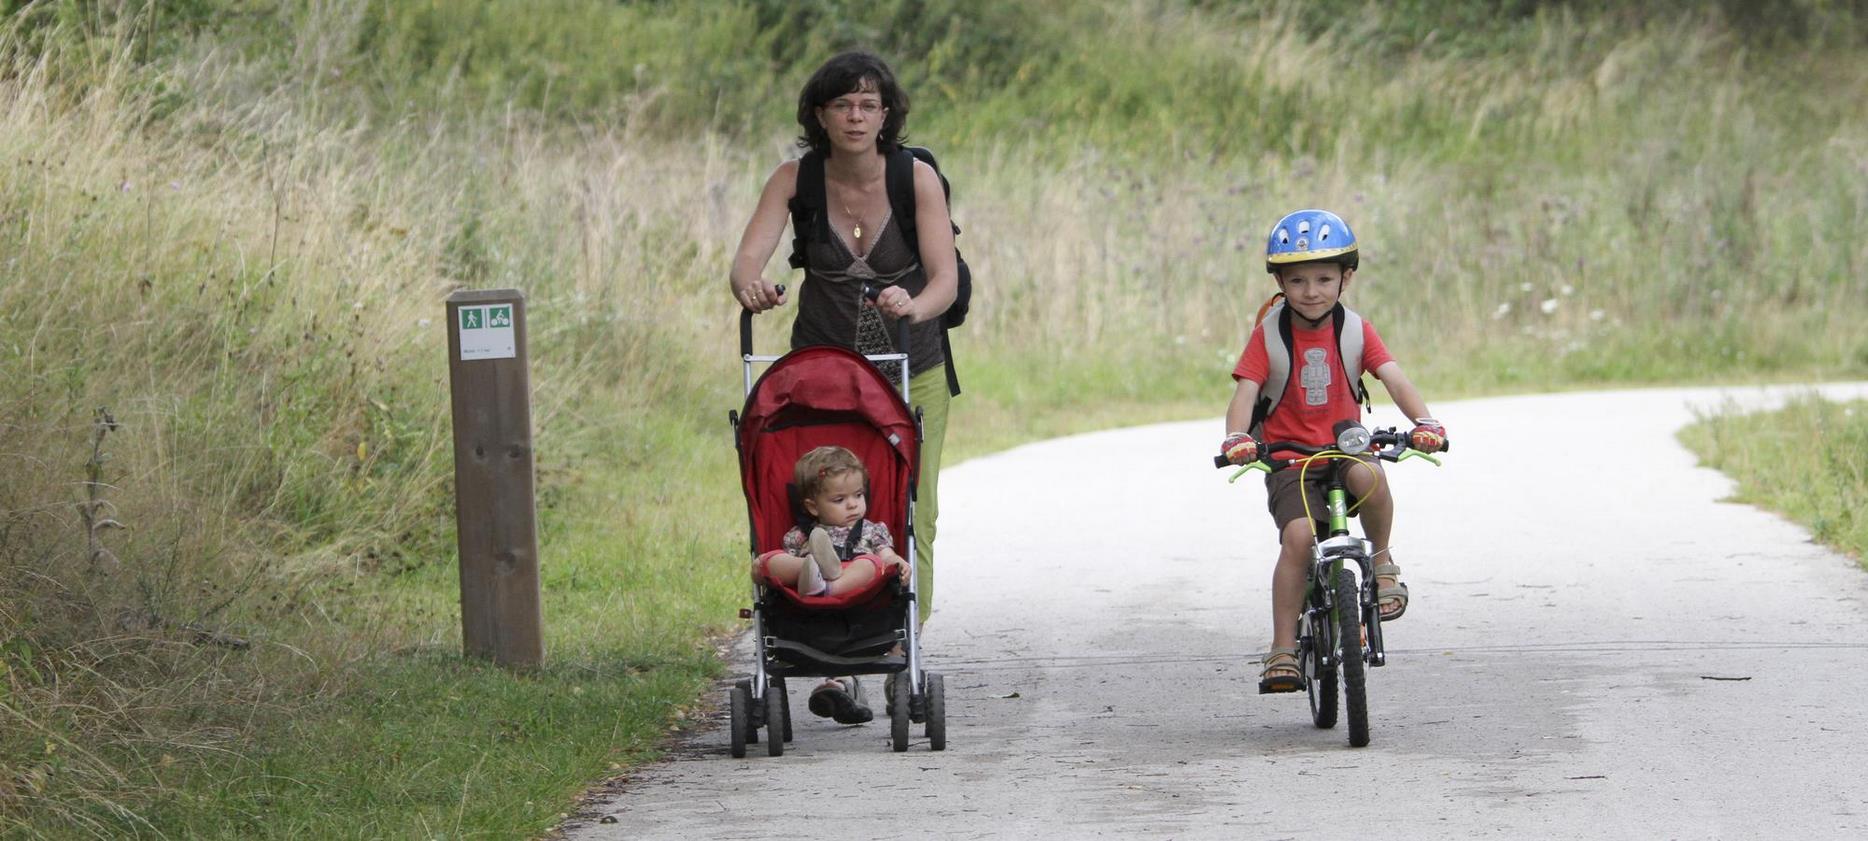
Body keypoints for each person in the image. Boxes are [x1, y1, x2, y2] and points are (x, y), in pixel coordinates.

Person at [730, 51, 957, 722]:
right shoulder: (793, 179)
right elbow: (748, 259)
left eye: (869, 104)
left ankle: (898, 647)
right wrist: (752, 284)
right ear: (819, 115)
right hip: (821, 371)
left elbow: (942, 276)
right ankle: (835, 660)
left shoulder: (915, 178)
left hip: (911, 364)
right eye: (842, 105)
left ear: (887, 115)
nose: (855, 116)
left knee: (915, 509)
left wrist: (913, 305)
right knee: (821, 504)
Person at [1219, 209, 1448, 695]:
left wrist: (1424, 423)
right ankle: (1283, 648)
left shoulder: (1356, 331)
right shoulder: (1270, 333)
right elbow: (1245, 391)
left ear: (1347, 277)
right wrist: (1238, 437)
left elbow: (1393, 377)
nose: (1311, 291)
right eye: (1297, 280)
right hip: (1288, 458)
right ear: (1279, 281)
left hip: (1345, 448)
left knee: (1372, 478)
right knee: (1299, 538)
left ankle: (1383, 563)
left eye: (1324, 278)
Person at [750, 446, 911, 724]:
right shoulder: (801, 535)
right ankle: (812, 572)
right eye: (839, 499)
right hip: (805, 593)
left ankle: (827, 583)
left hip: (857, 592)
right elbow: (781, 568)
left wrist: (896, 561)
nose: (852, 505)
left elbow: (885, 555)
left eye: (858, 495)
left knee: (872, 563)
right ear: (813, 506)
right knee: (768, 561)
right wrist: (785, 567)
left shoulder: (872, 531)